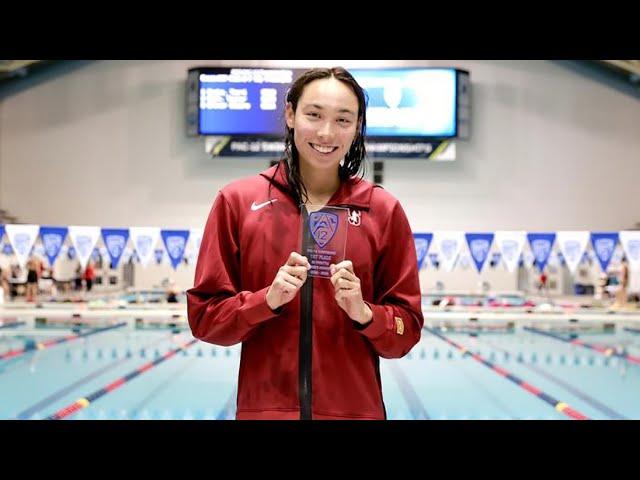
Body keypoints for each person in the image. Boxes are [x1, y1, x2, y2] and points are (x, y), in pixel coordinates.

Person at [187, 67, 424, 420]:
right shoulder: (238, 202)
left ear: (358, 126)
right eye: (314, 115)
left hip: (355, 413)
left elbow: (407, 331)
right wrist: (265, 301)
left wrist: (365, 314)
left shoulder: (381, 210)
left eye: (343, 119)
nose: (327, 132)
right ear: (290, 114)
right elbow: (205, 319)